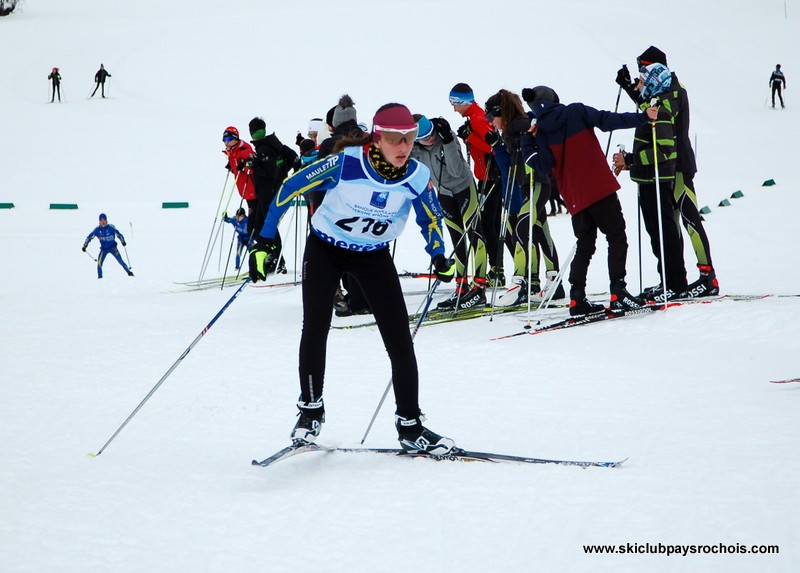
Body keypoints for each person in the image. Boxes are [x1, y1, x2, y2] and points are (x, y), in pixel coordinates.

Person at [249, 103, 457, 455]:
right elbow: (289, 189)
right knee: (315, 326)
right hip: (326, 250)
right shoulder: (345, 163)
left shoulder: (417, 176)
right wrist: (265, 240)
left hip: (373, 256)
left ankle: (410, 425)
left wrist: (438, 252)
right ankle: (310, 411)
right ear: (377, 139)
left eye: (408, 139)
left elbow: (431, 217)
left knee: (399, 339)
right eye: (395, 139)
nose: (404, 147)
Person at [521, 86, 652, 316]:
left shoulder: (540, 133)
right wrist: (643, 117)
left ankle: (577, 297)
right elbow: (608, 120)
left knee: (585, 245)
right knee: (616, 236)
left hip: (575, 197)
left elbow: (540, 164)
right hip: (599, 188)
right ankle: (618, 292)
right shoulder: (576, 112)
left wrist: (527, 141)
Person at [616, 46, 719, 298]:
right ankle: (674, 280)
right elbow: (649, 108)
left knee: (689, 218)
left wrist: (631, 160)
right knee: (669, 225)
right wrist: (630, 87)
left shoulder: (672, 90)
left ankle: (707, 277)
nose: (642, 77)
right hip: (666, 168)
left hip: (678, 165)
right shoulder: (664, 88)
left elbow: (658, 113)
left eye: (644, 71)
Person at [612, 63, 689, 302]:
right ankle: (668, 279)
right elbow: (641, 108)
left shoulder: (661, 110)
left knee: (663, 232)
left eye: (643, 81)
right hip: (647, 179)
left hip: (657, 180)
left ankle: (676, 283)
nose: (639, 85)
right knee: (656, 233)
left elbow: (664, 150)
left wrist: (631, 160)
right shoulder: (651, 106)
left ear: (655, 82)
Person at [484, 89, 563, 306]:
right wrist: (498, 146)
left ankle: (519, 283)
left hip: (536, 182)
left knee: (521, 229)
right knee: (538, 229)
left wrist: (526, 135)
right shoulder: (510, 129)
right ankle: (554, 283)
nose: (491, 122)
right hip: (526, 185)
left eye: (491, 116)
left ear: (502, 112)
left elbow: (533, 132)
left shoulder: (519, 124)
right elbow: (509, 164)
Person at [412, 114, 488, 310]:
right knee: (457, 238)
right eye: (423, 137)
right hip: (443, 193)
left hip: (464, 188)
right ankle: (461, 287)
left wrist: (447, 141)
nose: (429, 139)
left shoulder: (447, 137)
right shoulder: (415, 149)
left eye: (431, 133)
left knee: (474, 234)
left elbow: (456, 171)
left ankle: (479, 287)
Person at [316, 94, 371, 317]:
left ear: (336, 122)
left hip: (337, 210)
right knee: (364, 253)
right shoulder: (369, 140)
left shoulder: (330, 145)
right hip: (369, 208)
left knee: (340, 254)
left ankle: (356, 301)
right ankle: (364, 298)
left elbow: (319, 181)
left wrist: (317, 211)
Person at [449, 83, 506, 288]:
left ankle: (496, 271)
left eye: (454, 103)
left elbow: (495, 148)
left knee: (487, 225)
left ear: (463, 102)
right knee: (490, 224)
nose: (453, 108)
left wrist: (470, 136)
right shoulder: (474, 117)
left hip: (491, 177)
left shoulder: (478, 119)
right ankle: (497, 270)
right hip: (486, 176)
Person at [247, 116, 297, 274]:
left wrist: (255, 164)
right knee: (258, 227)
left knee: (264, 226)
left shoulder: (264, 149)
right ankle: (273, 257)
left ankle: (276, 259)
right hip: (273, 192)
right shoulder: (277, 145)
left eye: (254, 131)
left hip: (268, 194)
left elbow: (270, 171)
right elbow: (294, 158)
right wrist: (285, 176)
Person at [82, 213, 133, 278]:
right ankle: (100, 278)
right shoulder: (97, 230)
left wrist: (123, 241)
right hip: (104, 249)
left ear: (106, 220)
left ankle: (129, 273)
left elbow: (119, 234)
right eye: (101, 220)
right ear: (99, 221)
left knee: (121, 261)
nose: (103, 222)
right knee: (99, 264)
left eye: (104, 220)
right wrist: (85, 246)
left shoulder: (111, 227)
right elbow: (89, 238)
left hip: (113, 248)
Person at [222, 126, 257, 217]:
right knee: (254, 219)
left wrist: (244, 167)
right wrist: (233, 168)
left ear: (235, 138)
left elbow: (253, 169)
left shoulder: (244, 151)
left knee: (255, 220)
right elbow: (238, 169)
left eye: (229, 139)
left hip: (253, 190)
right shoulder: (232, 153)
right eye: (224, 140)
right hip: (245, 191)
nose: (226, 142)